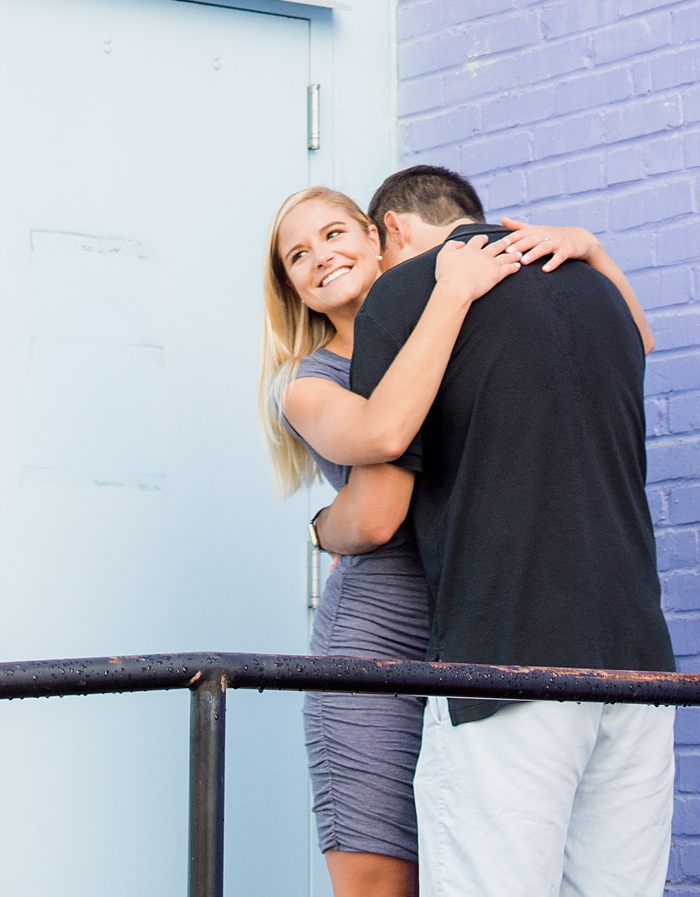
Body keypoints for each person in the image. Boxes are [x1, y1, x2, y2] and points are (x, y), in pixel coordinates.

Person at [260, 185, 654, 897]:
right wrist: (321, 528)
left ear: (381, 233)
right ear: (289, 286)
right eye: (298, 254)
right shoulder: (305, 381)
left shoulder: (452, 310)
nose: (321, 256)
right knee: (389, 881)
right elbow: (380, 471)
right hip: (379, 634)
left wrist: (591, 249)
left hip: (462, 621)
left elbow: (632, 343)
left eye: (333, 232)